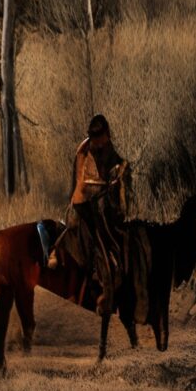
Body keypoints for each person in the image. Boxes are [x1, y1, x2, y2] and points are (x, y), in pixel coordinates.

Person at [64, 112, 134, 300]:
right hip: (84, 205)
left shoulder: (108, 149)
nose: (100, 142)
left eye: (101, 138)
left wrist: (120, 173)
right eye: (97, 139)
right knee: (95, 237)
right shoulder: (84, 151)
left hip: (99, 203)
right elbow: (83, 186)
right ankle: (95, 271)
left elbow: (116, 165)